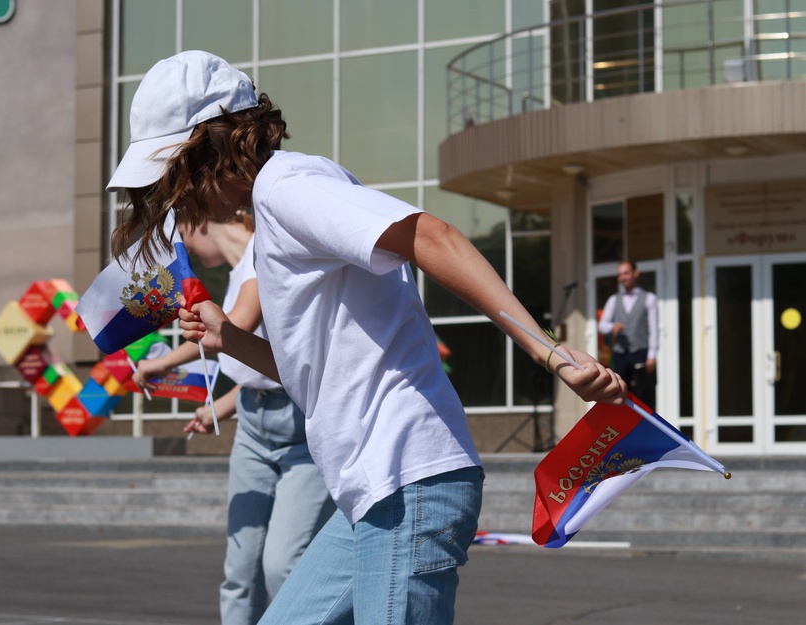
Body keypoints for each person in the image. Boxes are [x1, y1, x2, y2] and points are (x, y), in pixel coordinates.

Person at [109, 50, 627, 625]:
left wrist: (547, 350)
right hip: (373, 493)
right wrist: (228, 336)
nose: (174, 198)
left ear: (213, 145)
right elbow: (311, 372)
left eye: (172, 174)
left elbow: (434, 236)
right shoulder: (275, 210)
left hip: (408, 478)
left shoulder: (288, 187)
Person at [128, 190, 335, 625]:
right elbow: (261, 367)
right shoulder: (240, 268)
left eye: (180, 240)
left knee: (283, 566)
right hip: (255, 424)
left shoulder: (263, 253)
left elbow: (234, 328)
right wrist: (220, 406)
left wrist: (162, 362)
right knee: (240, 573)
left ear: (196, 221)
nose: (184, 255)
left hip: (301, 428)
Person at [597, 259, 658, 410]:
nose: (622, 277)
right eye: (620, 274)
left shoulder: (649, 298)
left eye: (626, 273)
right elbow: (602, 326)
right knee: (619, 394)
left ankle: (646, 424)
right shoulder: (613, 300)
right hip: (621, 354)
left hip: (641, 352)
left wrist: (651, 355)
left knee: (645, 396)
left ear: (635, 273)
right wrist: (613, 327)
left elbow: (653, 329)